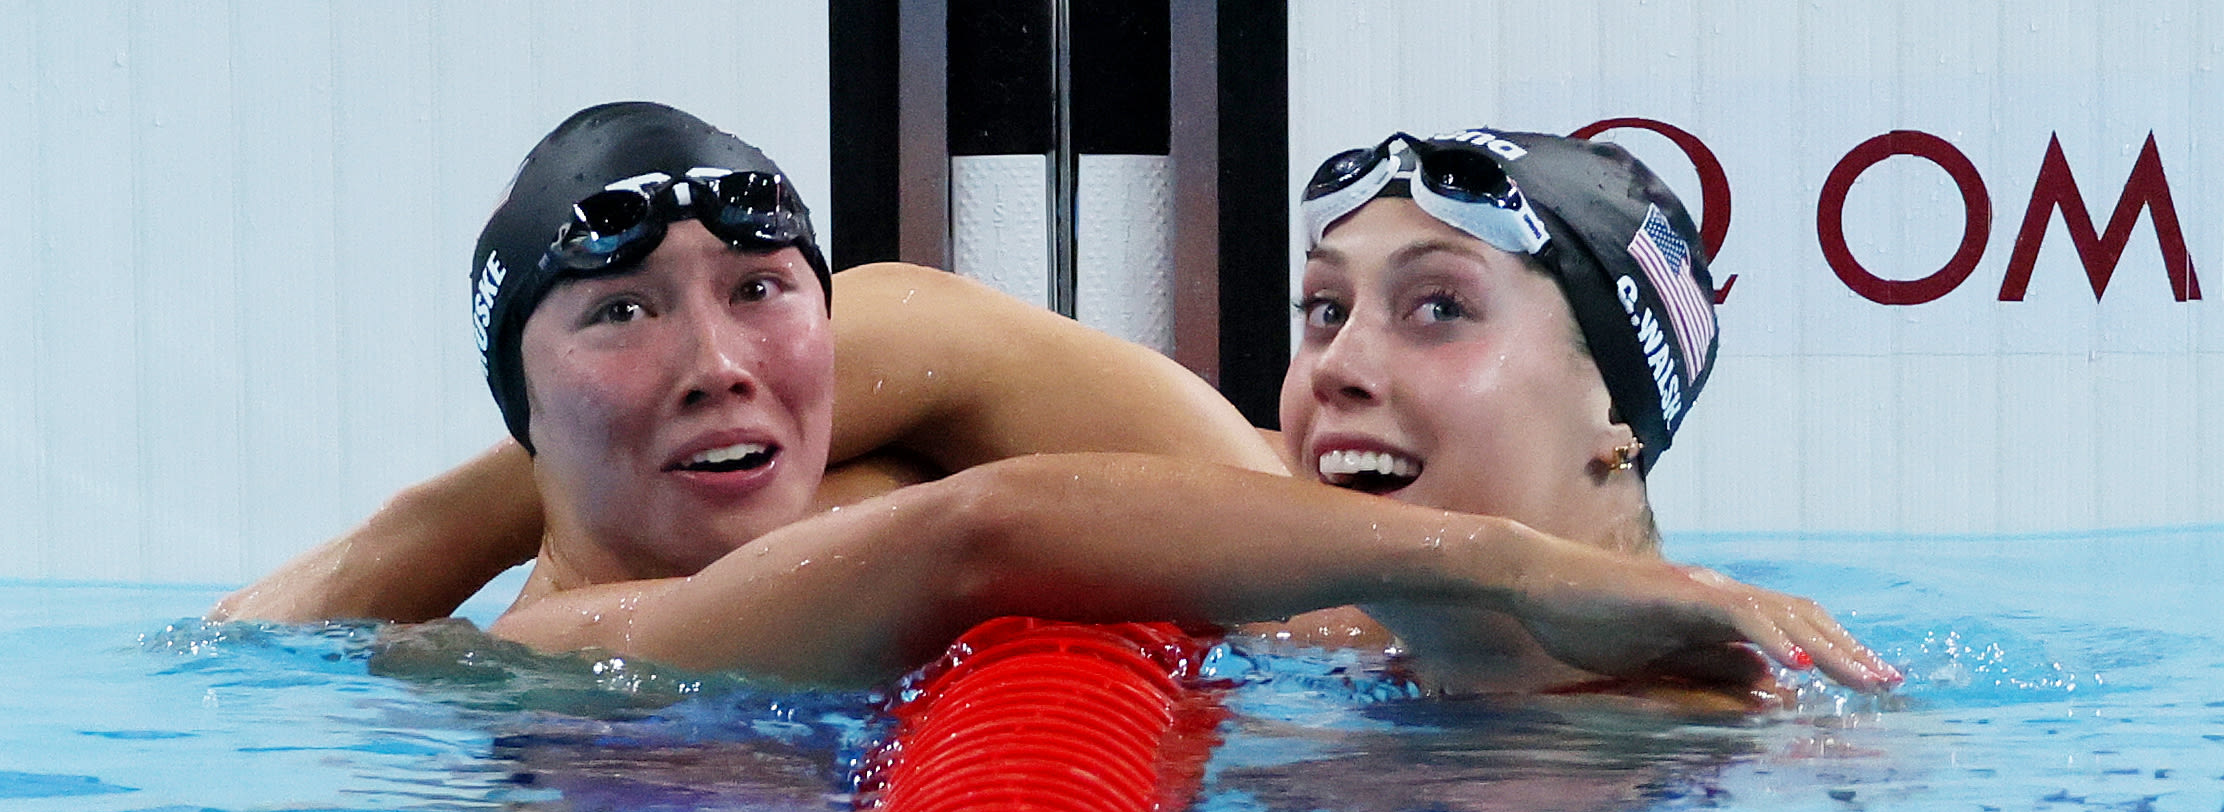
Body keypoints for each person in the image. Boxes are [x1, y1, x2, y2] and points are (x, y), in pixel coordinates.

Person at [217, 103, 1895, 696]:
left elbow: (868, 344)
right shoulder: (1289, 535)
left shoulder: (1751, 727)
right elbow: (967, 498)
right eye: (1317, 312)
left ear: (1625, 417)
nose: (1340, 368)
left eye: (1435, 310)